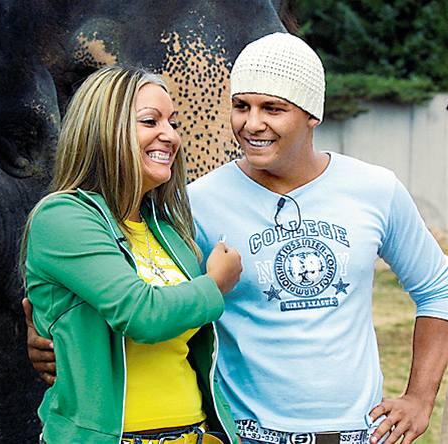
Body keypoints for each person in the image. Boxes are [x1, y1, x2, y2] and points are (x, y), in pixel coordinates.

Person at [26, 34, 448, 444]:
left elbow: (438, 288)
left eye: (273, 108)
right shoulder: (194, 205)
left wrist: (420, 398)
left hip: (356, 434)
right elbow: (134, 296)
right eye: (242, 106)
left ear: (312, 114)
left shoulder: (375, 189)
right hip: (242, 433)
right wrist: (49, 331)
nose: (252, 124)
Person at [20, 66, 242, 444]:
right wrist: (215, 284)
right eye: (150, 121)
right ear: (104, 129)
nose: (170, 135)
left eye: (173, 122)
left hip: (196, 434)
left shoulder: (169, 230)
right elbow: (142, 315)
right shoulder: (62, 217)